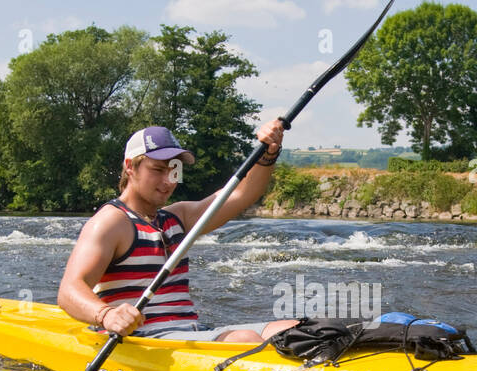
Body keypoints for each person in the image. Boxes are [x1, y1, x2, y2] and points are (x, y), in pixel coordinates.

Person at [57, 120, 299, 343]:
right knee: (244, 340)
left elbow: (241, 194)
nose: (169, 181)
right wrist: (106, 315)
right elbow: (69, 291)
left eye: (174, 170)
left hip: (190, 332)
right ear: (130, 167)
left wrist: (269, 153)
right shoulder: (111, 221)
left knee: (294, 330)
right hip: (141, 341)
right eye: (158, 170)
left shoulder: (178, 217)